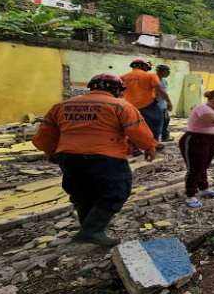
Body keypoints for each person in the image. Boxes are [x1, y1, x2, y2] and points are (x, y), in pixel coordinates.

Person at [32, 74, 158, 246]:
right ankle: (92, 231)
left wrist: (48, 150)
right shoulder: (120, 106)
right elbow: (137, 130)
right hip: (106, 157)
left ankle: (87, 229)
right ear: (116, 90)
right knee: (116, 192)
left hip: (69, 157)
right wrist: (149, 146)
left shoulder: (63, 106)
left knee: (82, 193)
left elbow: (47, 132)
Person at [121, 58, 170, 143]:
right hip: (148, 106)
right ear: (143, 66)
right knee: (156, 123)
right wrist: (169, 102)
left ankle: (134, 146)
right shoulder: (150, 76)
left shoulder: (122, 77)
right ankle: (154, 143)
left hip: (130, 107)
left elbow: (120, 93)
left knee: (133, 127)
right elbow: (160, 90)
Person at [155, 64, 173, 142]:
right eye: (167, 71)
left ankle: (164, 136)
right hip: (155, 105)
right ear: (160, 71)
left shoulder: (164, 81)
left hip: (163, 104)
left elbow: (164, 92)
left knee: (166, 120)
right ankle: (156, 139)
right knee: (158, 122)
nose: (168, 73)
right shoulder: (154, 80)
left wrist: (167, 103)